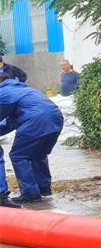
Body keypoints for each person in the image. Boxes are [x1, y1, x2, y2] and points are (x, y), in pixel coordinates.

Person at [0, 76, 63, 206]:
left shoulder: (3, 93)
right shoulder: (23, 89)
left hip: (36, 121)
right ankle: (43, 187)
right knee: (38, 154)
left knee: (18, 155)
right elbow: (11, 122)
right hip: (56, 118)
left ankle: (30, 194)